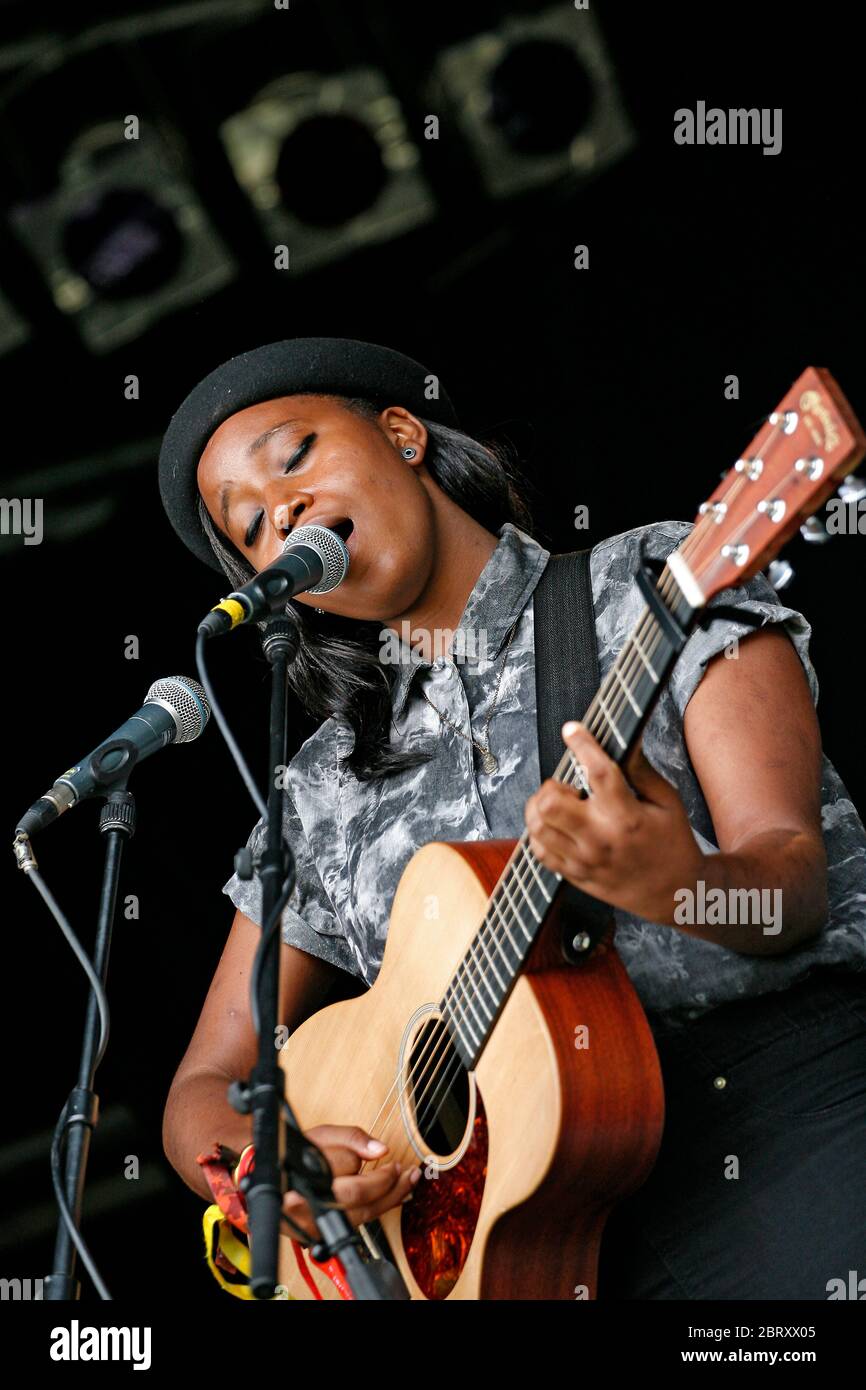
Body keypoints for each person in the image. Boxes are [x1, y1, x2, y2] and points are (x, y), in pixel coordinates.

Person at [159, 337, 866, 1299]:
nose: (278, 510)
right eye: (248, 527)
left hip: (789, 1142)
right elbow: (204, 1085)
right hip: (521, 1252)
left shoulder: (651, 587)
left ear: (402, 434)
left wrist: (683, 887)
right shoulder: (319, 790)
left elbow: (793, 893)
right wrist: (272, 1171)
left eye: (294, 457)